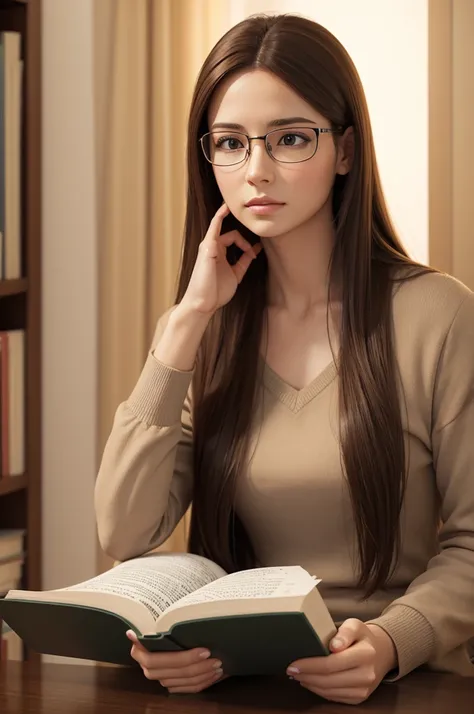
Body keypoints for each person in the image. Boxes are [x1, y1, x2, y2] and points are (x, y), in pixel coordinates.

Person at [94, 12, 474, 704]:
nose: (257, 171)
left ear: (347, 150)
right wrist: (183, 327)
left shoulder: (439, 315)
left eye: (291, 139)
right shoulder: (202, 331)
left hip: (402, 685)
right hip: (244, 683)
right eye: (231, 144)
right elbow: (125, 528)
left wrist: (394, 640)